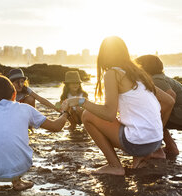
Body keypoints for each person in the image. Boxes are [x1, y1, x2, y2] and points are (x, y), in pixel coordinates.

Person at [62, 36, 174, 175]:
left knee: (87, 115)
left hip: (138, 144)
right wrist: (152, 131)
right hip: (156, 142)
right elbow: (169, 101)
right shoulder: (139, 73)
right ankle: (142, 151)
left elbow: (109, 114)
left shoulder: (112, 73)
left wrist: (81, 102)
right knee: (122, 120)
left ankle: (115, 165)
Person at [0, 75, 69, 190]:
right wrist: (65, 113)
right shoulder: (25, 108)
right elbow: (56, 127)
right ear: (14, 94)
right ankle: (17, 182)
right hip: (20, 167)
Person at [135, 55, 182, 157]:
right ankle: (170, 146)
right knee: (156, 116)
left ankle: (156, 149)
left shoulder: (156, 80)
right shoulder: (160, 78)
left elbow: (171, 96)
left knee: (151, 117)